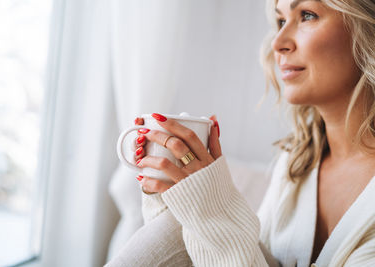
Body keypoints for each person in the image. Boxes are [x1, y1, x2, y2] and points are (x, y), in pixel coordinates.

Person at [106, 0, 375, 266]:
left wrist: (212, 211)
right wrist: (185, 198)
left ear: (368, 28)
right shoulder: (294, 165)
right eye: (280, 21)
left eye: (307, 15)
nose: (278, 42)